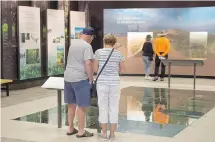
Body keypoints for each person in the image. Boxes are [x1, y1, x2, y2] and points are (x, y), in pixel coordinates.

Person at [64, 27, 95, 138]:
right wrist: (91, 79)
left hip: (68, 77)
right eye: (92, 38)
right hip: (80, 78)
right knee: (82, 105)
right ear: (91, 36)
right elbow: (88, 63)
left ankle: (70, 128)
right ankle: (81, 131)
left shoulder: (73, 43)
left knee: (71, 104)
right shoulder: (87, 46)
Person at [93, 34, 125, 140]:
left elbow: (95, 69)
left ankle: (103, 134)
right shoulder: (119, 53)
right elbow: (122, 69)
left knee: (103, 107)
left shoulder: (98, 52)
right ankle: (112, 134)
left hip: (102, 82)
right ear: (114, 42)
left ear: (104, 41)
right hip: (115, 83)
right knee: (114, 107)